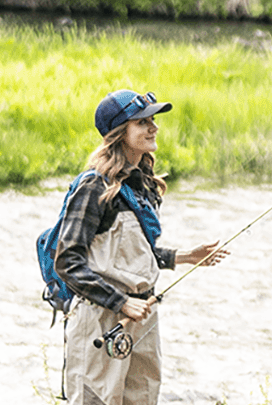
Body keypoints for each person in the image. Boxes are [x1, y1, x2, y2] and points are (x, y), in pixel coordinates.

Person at [54, 89, 230, 405]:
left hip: (142, 315)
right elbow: (67, 262)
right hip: (100, 317)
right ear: (119, 133)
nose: (154, 128)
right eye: (142, 123)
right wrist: (120, 302)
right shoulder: (93, 186)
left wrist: (184, 257)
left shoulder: (142, 184)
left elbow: (125, 253)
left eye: (152, 121)